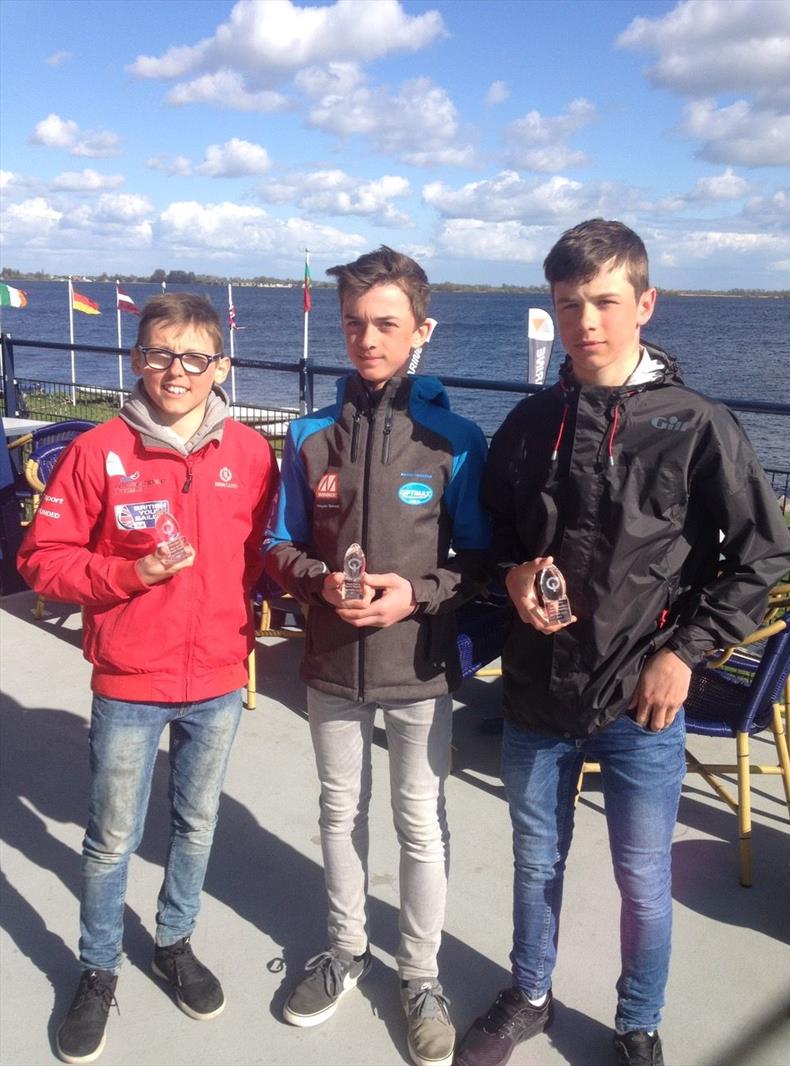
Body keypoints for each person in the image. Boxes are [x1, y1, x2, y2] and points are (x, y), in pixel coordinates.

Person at [455, 219, 790, 1066]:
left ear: (645, 303)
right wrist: (506, 578)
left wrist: (685, 655)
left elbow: (764, 554)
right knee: (536, 860)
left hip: (643, 700)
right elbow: (487, 539)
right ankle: (530, 994)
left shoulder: (695, 423)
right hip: (537, 690)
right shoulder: (532, 422)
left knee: (643, 880)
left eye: (606, 301)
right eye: (569, 304)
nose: (587, 322)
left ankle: (638, 1020)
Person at [18, 293, 277, 1064]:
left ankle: (174, 941)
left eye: (196, 357)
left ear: (220, 367)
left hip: (221, 679)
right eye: (160, 354)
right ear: (135, 360)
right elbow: (42, 559)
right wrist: (128, 576)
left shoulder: (252, 455)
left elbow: (263, 553)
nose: (177, 371)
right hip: (130, 680)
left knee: (195, 827)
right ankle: (98, 967)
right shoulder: (98, 450)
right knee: (110, 841)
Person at [265, 246, 490, 1066]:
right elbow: (276, 542)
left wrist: (416, 594)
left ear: (421, 331)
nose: (367, 338)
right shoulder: (309, 434)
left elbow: (478, 560)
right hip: (331, 666)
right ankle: (347, 948)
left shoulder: (455, 439)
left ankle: (421, 976)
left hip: (420, 668)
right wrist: (319, 580)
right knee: (337, 813)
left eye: (386, 323)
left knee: (419, 827)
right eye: (355, 323)